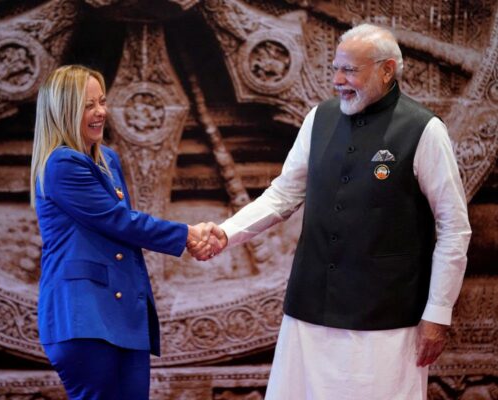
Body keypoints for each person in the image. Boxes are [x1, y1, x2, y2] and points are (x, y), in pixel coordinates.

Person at [190, 24, 471, 399]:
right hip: (310, 311)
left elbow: (454, 227)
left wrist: (437, 313)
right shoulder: (318, 119)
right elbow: (283, 194)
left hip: (386, 320)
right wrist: (227, 233)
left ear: (387, 70)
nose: (337, 80)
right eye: (336, 68)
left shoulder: (424, 130)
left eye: (350, 71)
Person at [30, 65, 224, 400]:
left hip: (124, 317)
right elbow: (120, 222)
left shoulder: (107, 159)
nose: (101, 112)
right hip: (85, 317)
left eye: (102, 102)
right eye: (88, 105)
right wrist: (187, 234)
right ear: (63, 112)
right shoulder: (60, 165)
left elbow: (124, 229)